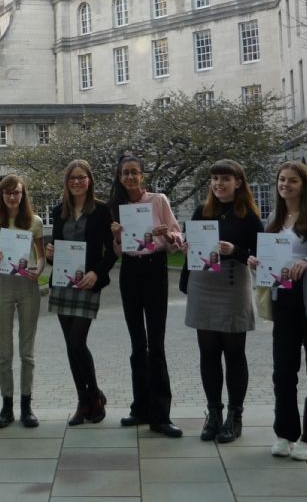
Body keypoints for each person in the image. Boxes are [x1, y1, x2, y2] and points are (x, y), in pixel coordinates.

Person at [250, 161, 307, 462]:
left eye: (292, 181)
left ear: (303, 185)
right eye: (281, 179)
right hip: (284, 299)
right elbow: (271, 259)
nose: (285, 185)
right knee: (283, 371)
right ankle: (285, 433)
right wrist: (258, 264)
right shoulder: (274, 219)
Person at [182, 159, 263, 443]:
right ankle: (214, 413)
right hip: (203, 283)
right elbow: (192, 249)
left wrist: (236, 250)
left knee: (234, 353)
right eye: (215, 179)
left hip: (232, 284)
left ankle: (235, 415)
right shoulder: (201, 212)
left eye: (225, 179)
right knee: (208, 353)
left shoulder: (249, 216)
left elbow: (259, 256)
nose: (218, 184)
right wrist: (186, 250)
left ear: (238, 182)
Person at [108, 154, 184, 438]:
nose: (129, 177)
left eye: (134, 172)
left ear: (142, 175)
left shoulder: (158, 200)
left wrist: (165, 235)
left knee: (156, 343)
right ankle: (139, 407)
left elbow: (177, 238)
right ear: (119, 177)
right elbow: (117, 252)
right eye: (125, 173)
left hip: (155, 270)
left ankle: (161, 414)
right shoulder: (115, 207)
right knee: (137, 343)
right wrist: (116, 237)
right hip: (129, 271)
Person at [46, 159, 116, 426]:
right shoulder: (58, 211)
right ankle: (84, 399)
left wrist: (97, 273)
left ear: (90, 180)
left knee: (77, 342)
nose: (77, 181)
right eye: (72, 177)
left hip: (87, 283)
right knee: (70, 347)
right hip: (63, 284)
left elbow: (110, 252)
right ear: (66, 182)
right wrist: (51, 254)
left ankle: (94, 395)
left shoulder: (101, 211)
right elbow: (59, 249)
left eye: (81, 177)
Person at [0, 175, 46, 429]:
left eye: (17, 192)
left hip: (27, 284)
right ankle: (6, 406)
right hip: (2, 285)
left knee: (27, 351)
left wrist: (39, 270)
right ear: (1, 196)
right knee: (4, 351)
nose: (12, 197)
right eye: (8, 193)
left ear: (23, 195)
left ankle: (26, 405)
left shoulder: (35, 222)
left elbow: (40, 257)